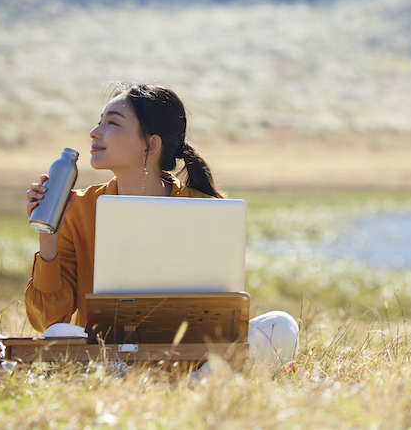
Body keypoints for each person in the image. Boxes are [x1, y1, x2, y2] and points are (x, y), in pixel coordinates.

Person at [25, 83, 298, 367]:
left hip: (193, 355)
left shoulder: (204, 209)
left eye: (112, 123)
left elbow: (223, 313)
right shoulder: (78, 208)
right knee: (58, 334)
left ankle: (196, 381)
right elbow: (48, 320)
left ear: (151, 145)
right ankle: (181, 382)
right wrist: (49, 237)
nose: (95, 132)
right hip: (110, 355)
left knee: (282, 326)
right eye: (99, 122)